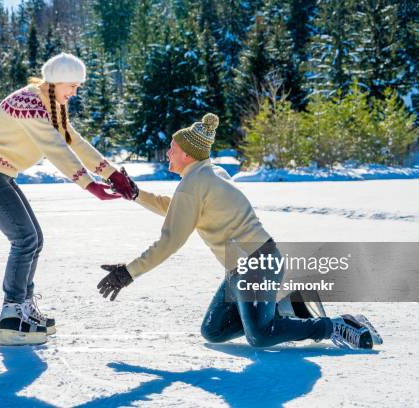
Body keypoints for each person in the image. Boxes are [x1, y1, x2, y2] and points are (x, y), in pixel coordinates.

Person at [97, 113, 383, 350]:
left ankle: (336, 326)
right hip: (243, 267)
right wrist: (136, 194)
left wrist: (129, 272)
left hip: (257, 264)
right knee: (214, 331)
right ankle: (288, 307)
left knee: (261, 335)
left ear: (186, 153)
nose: (168, 152)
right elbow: (177, 208)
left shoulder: (194, 184)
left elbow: (170, 240)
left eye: (172, 148)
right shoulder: (209, 173)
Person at [0, 53, 135, 346]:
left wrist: (112, 174)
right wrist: (89, 185)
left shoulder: (53, 106)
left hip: (0, 175)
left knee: (35, 239)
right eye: (72, 85)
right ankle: (12, 314)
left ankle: (24, 308)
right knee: (24, 239)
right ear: (55, 81)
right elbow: (55, 148)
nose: (75, 92)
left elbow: (74, 141)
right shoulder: (28, 102)